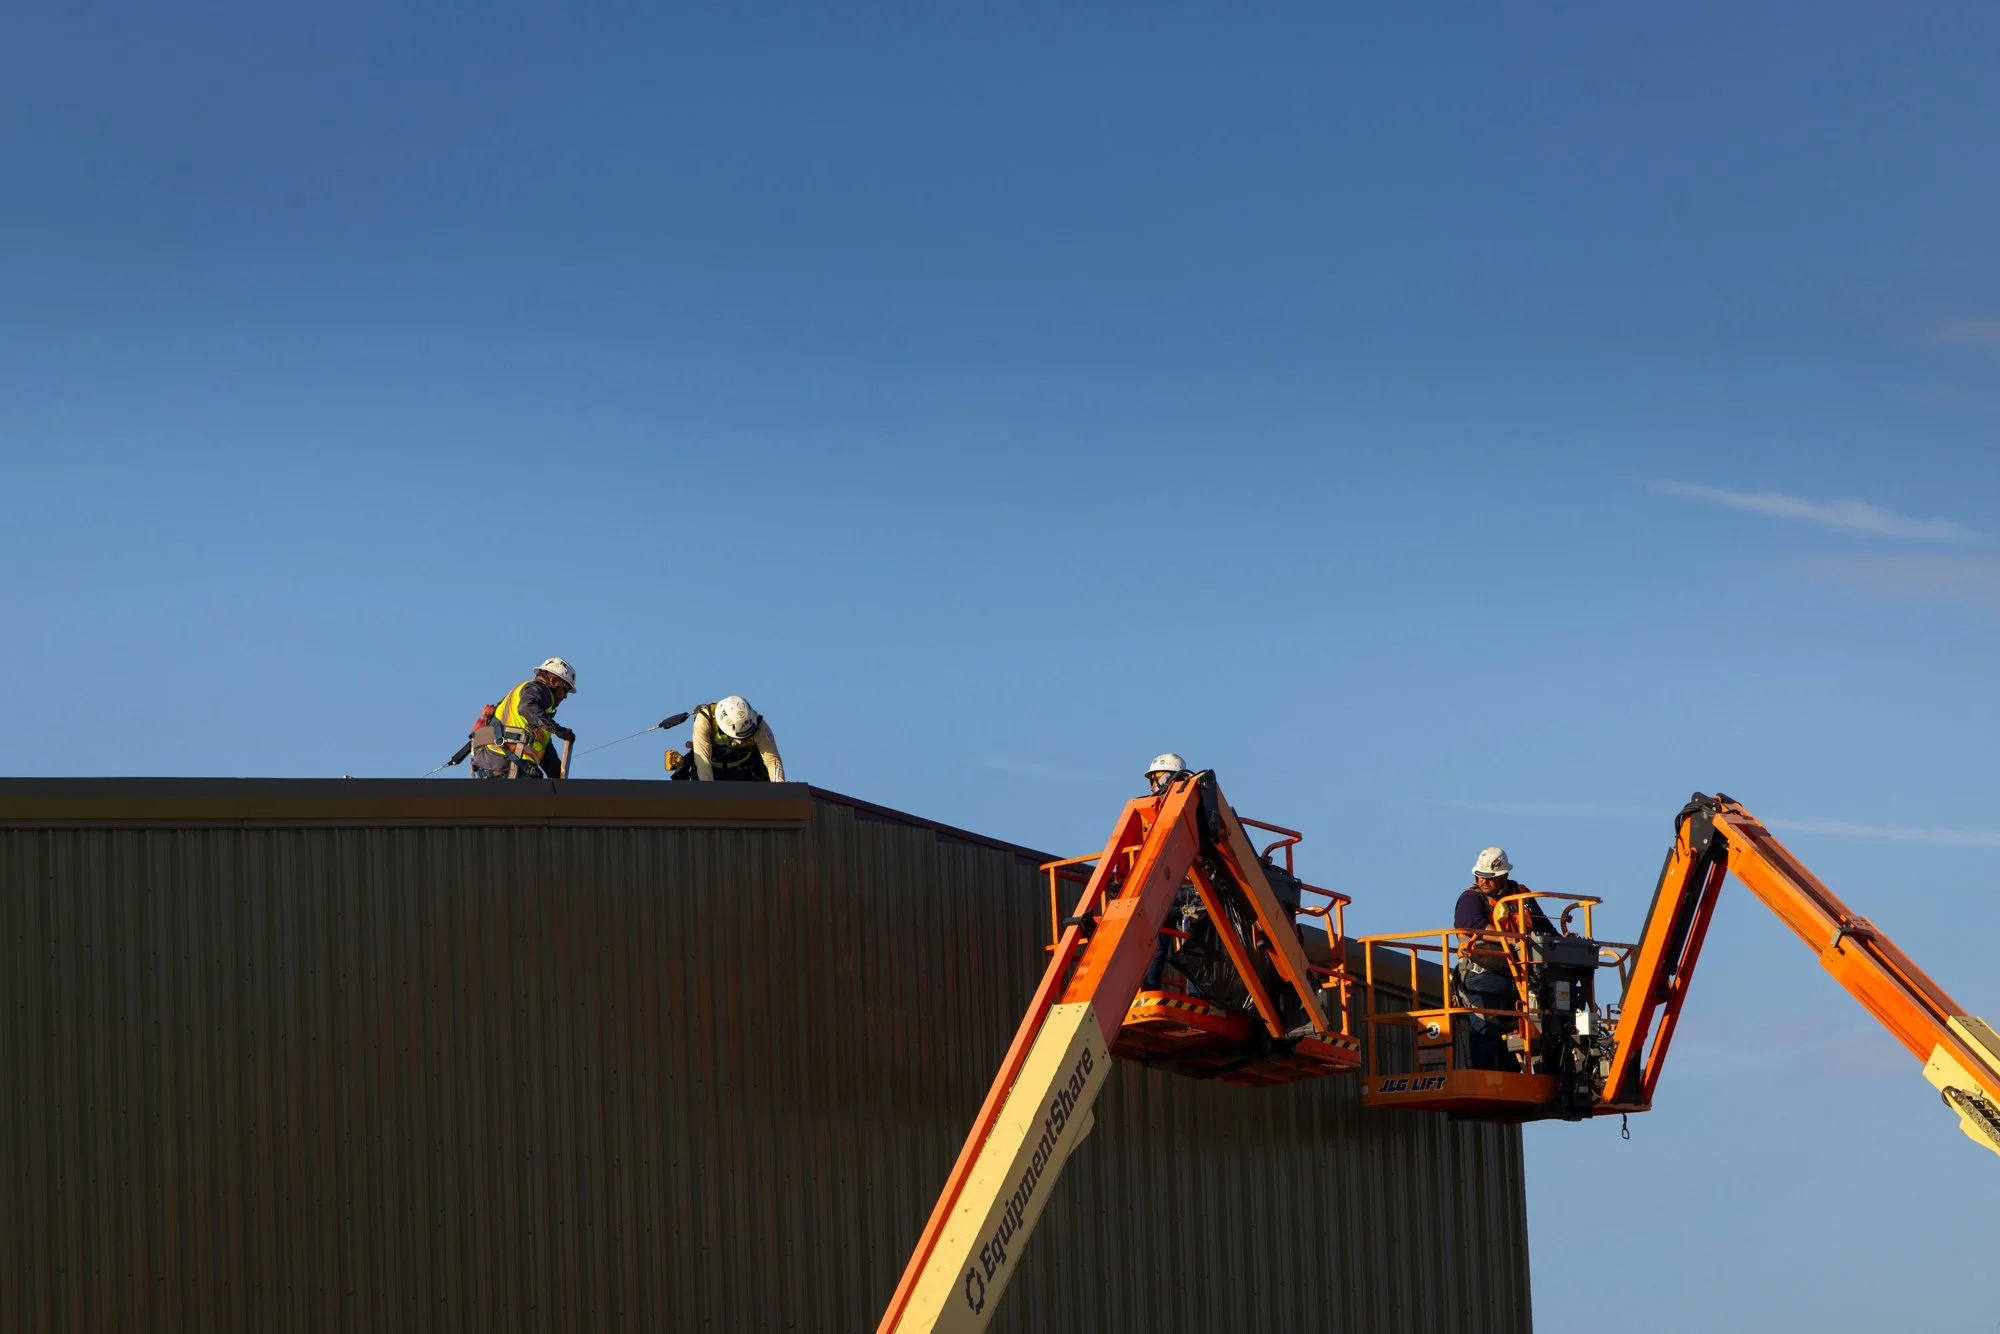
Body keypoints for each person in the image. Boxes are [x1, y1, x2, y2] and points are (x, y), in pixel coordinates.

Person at [1452, 847, 1553, 1071]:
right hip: (1484, 977)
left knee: (1530, 1031)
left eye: (1489, 877)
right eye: (1480, 876)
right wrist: (1512, 939)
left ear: (1504, 876)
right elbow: (1472, 924)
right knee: (1486, 1031)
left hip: (1521, 976)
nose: (1483, 881)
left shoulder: (1521, 894)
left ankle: (1516, 1078)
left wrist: (1560, 942)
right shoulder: (1471, 897)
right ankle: (1486, 1082)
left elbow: (1542, 925)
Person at [1141, 753, 1200, 989]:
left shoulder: (1192, 809)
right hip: (1164, 888)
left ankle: (1200, 995)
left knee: (1197, 945)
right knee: (1154, 945)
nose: (1153, 783)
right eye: (1151, 779)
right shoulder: (1147, 811)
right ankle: (1148, 990)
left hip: (1192, 890)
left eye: (1156, 777)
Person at [473, 658, 578, 779]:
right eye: (565, 690)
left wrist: (560, 781)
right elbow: (526, 708)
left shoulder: (536, 719)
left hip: (492, 765)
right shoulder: (540, 689)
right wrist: (558, 730)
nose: (565, 697)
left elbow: (548, 758)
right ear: (554, 681)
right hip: (505, 764)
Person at [688, 695, 786, 781]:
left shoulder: (760, 727)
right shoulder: (705, 721)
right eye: (739, 737)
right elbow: (703, 761)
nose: (740, 742)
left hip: (744, 771)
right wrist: (709, 795)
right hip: (712, 770)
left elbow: (773, 762)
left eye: (747, 735)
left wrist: (780, 792)